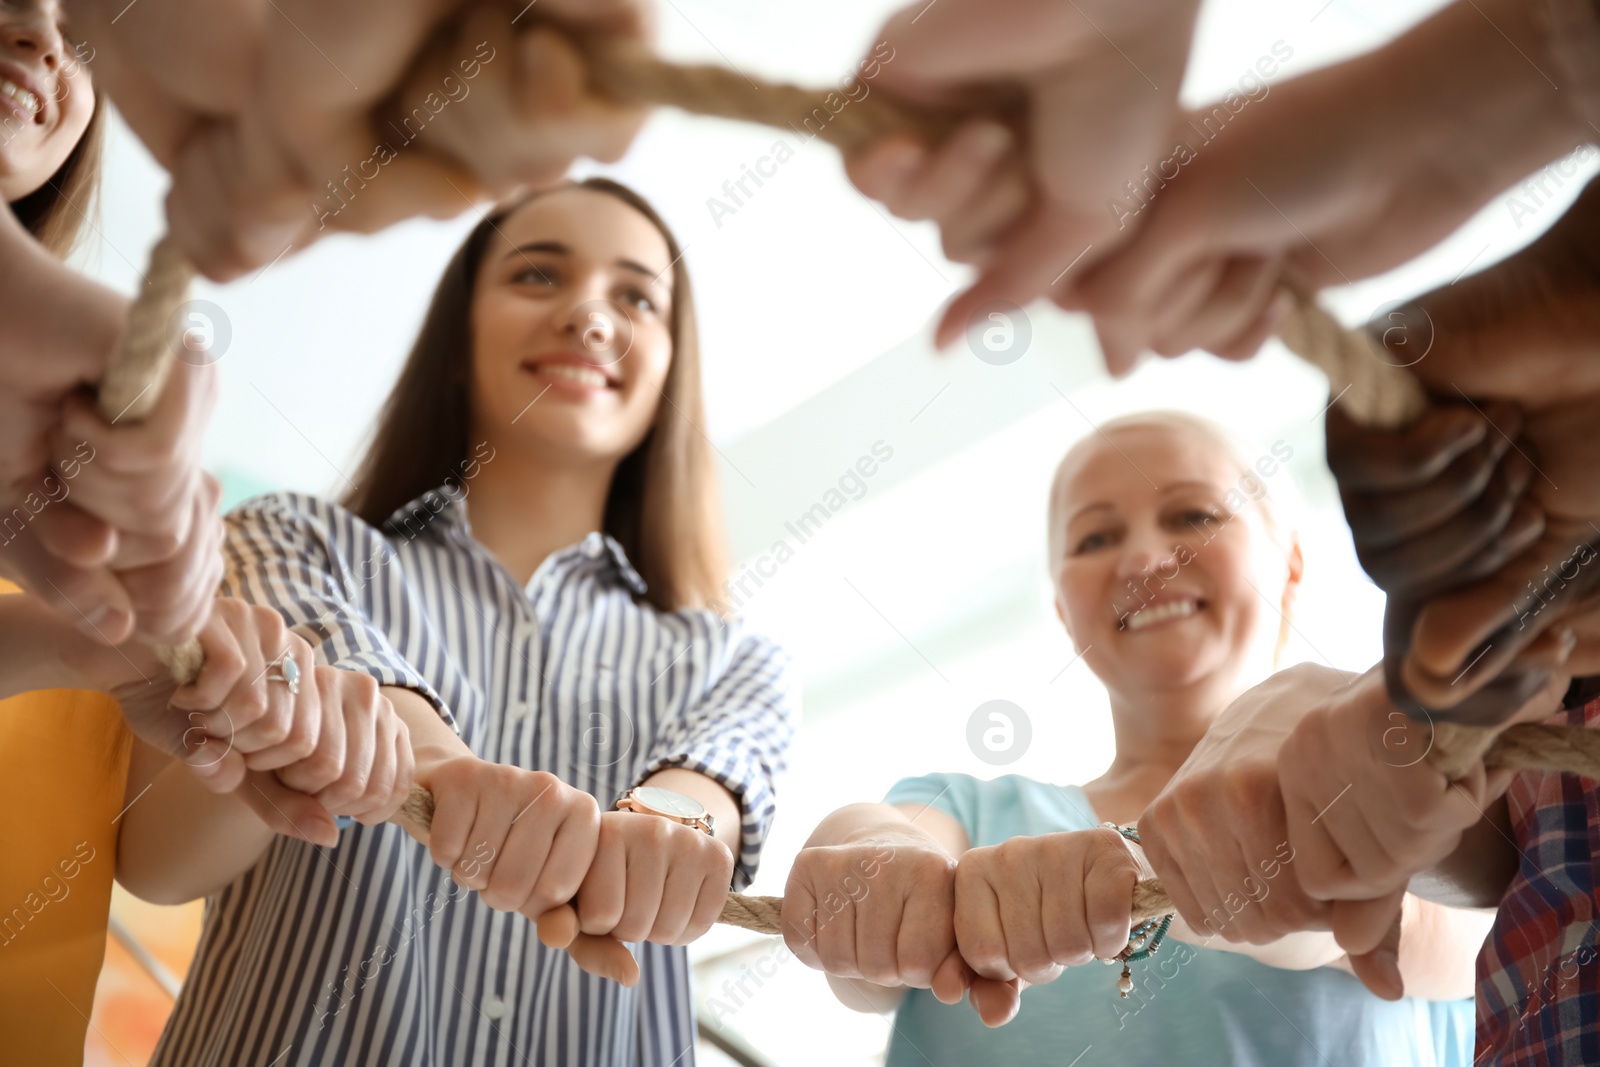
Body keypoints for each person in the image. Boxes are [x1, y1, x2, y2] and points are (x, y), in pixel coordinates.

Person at [147, 179, 797, 1066]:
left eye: (637, 295)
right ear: (458, 339)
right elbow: (162, 860)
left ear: (671, 369)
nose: (589, 317)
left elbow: (707, 792)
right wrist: (436, 764)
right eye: (538, 276)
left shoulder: (736, 658)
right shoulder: (291, 539)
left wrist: (664, 830)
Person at [786, 412, 1485, 1064]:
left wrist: (1266, 893)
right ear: (1064, 610)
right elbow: (872, 869)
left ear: (1291, 563)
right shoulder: (972, 816)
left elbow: (1464, 938)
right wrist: (870, 864)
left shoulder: (1399, 782)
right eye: (1095, 538)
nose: (1147, 558)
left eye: (1194, 515)